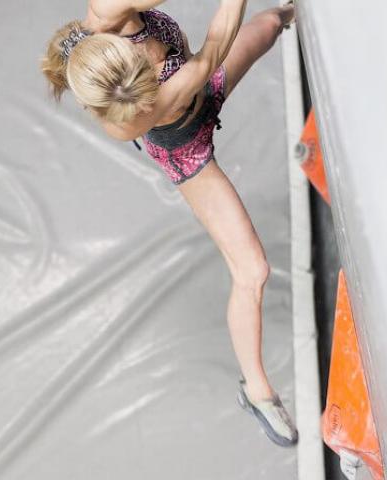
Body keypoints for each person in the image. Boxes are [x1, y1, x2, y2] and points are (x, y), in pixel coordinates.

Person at [41, 0, 298, 447]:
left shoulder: (108, 10)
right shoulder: (140, 110)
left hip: (200, 88)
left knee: (273, 23)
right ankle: (257, 391)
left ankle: (294, 12)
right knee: (252, 272)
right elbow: (215, 46)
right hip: (186, 146)